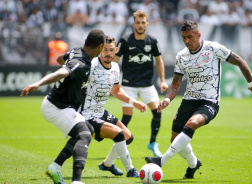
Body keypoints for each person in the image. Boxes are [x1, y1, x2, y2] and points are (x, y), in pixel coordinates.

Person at [145, 21, 252, 179]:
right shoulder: (181, 56)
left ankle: (161, 161)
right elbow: (175, 83)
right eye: (183, 38)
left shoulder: (213, 49)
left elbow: (240, 61)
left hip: (209, 101)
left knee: (191, 124)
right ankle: (194, 164)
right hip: (188, 101)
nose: (187, 41)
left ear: (199, 35)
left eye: (190, 37)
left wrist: (251, 84)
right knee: (175, 139)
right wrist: (167, 99)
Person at [50, 36, 147, 183]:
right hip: (86, 114)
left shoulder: (115, 67)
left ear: (116, 50)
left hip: (100, 111)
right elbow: (67, 65)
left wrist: (135, 103)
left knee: (128, 137)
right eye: (105, 50)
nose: (108, 53)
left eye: (111, 50)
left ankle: (107, 164)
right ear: (100, 49)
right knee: (118, 134)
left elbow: (116, 91)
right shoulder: (91, 64)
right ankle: (130, 170)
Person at [20, 29, 106, 184]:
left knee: (89, 130)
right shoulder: (80, 63)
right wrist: (38, 83)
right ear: (100, 47)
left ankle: (55, 167)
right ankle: (77, 181)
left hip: (60, 105)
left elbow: (61, 59)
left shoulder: (76, 51)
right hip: (57, 107)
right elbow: (61, 72)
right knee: (85, 135)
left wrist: (66, 64)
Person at [113, 10, 168, 157]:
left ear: (147, 24)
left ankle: (152, 143)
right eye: (138, 22)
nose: (140, 25)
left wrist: (162, 80)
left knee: (157, 113)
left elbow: (159, 60)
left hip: (147, 85)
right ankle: (121, 146)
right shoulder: (124, 40)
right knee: (127, 117)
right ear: (133, 24)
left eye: (143, 22)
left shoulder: (152, 41)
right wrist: (111, 79)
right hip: (128, 85)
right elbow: (114, 61)